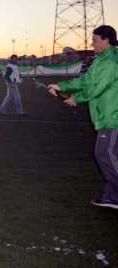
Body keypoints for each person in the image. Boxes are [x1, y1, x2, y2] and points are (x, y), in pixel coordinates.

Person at [48, 25, 118, 210]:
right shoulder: (100, 60)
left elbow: (97, 88)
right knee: (110, 156)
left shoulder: (110, 62)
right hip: (106, 116)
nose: (92, 43)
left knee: (104, 154)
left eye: (95, 40)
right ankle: (112, 196)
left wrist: (76, 98)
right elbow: (86, 81)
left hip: (113, 117)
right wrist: (62, 86)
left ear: (106, 40)